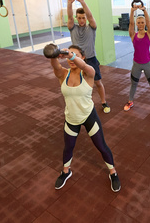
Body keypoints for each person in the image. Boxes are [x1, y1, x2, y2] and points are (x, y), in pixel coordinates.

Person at [48, 44, 121, 192]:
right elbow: (55, 66)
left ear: (82, 57)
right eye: (69, 55)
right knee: (68, 148)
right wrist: (54, 54)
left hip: (89, 117)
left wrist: (70, 55)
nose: (71, 59)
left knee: (102, 146)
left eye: (75, 55)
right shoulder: (63, 74)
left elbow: (85, 67)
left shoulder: (88, 73)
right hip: (71, 119)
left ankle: (113, 172)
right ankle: (66, 171)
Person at [67, 0, 110, 113]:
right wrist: (69, 3)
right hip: (76, 61)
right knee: (78, 84)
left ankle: (104, 102)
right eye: (79, 18)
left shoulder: (91, 28)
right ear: (76, 18)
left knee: (98, 83)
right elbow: (69, 17)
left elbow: (90, 16)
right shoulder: (72, 28)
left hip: (91, 59)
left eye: (83, 18)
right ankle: (81, 105)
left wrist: (82, 2)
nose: (81, 20)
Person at [123, 0, 150, 113]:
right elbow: (130, 23)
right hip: (136, 64)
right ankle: (130, 101)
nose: (140, 24)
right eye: (139, 23)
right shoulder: (133, 35)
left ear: (144, 23)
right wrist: (132, 11)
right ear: (137, 24)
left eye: (142, 22)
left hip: (147, 64)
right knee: (133, 84)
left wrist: (144, 10)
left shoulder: (149, 34)